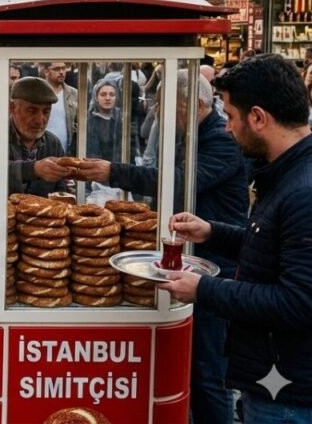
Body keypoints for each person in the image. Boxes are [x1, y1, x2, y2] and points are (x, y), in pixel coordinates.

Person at [78, 72, 246, 423]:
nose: (157, 111)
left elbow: (177, 180)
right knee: (196, 366)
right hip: (192, 257)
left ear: (191, 105)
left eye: (164, 104)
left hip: (213, 263)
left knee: (207, 372)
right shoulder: (191, 135)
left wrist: (113, 172)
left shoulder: (220, 140)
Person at [160, 54, 312, 423]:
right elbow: (273, 247)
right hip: (275, 382)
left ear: (258, 118)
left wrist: (204, 289)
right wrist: (212, 232)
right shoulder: (286, 175)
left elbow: (299, 301)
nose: (226, 128)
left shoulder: (302, 191)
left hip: (288, 395)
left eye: (229, 116)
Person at [0, 77, 70, 195]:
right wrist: (34, 169)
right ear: (12, 108)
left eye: (46, 112)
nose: (39, 120)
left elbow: (60, 191)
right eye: (32, 111)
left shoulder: (53, 143)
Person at [85, 78, 127, 162]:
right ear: (96, 97)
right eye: (103, 94)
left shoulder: (122, 118)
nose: (108, 98)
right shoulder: (88, 120)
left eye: (112, 94)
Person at [42, 62, 78, 154]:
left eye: (63, 68)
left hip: (66, 150)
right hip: (41, 149)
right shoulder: (37, 92)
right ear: (46, 71)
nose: (61, 72)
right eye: (57, 69)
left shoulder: (74, 94)